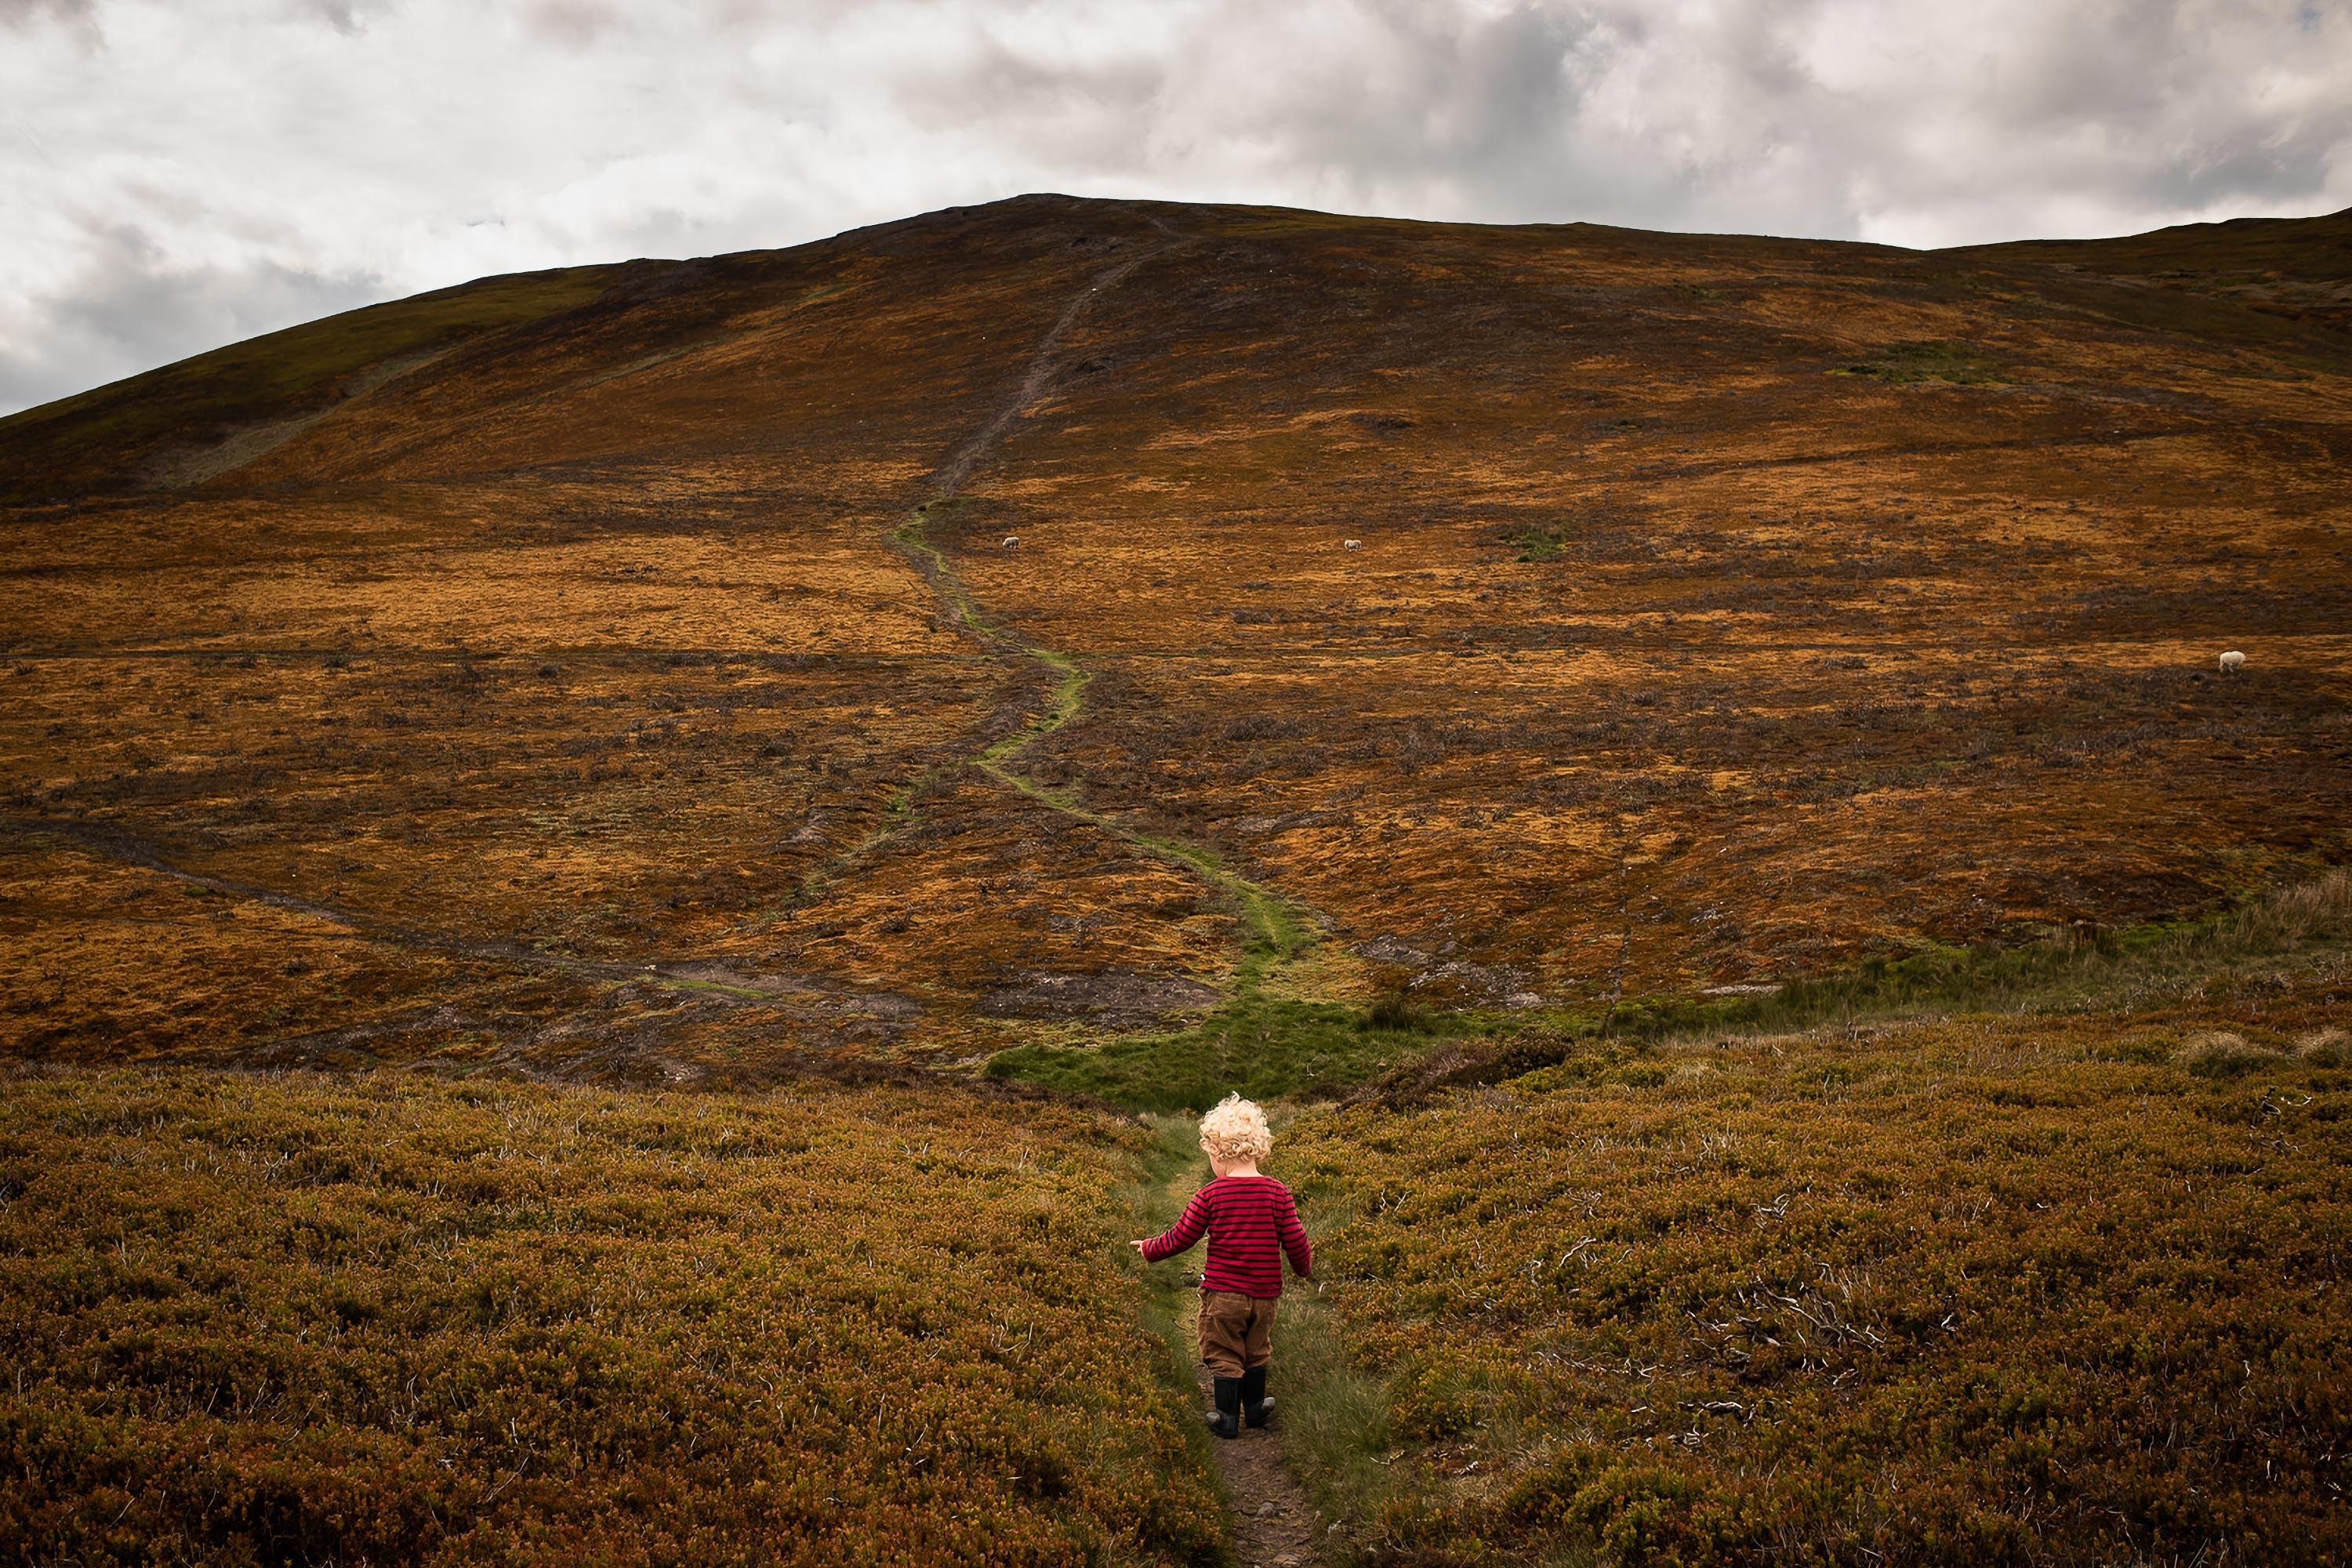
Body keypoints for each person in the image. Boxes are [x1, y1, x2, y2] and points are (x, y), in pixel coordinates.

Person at [1130, 1094, 1313, 1439]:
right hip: (1265, 1295)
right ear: (1258, 1149)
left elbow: (1181, 1237)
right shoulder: (1279, 1193)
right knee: (1257, 1349)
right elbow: (1296, 1240)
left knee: (1225, 1351)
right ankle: (1256, 1410)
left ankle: (1226, 1418)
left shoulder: (1210, 1195)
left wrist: (1149, 1250)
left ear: (1218, 1154)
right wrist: (1303, 1269)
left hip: (1223, 1296)